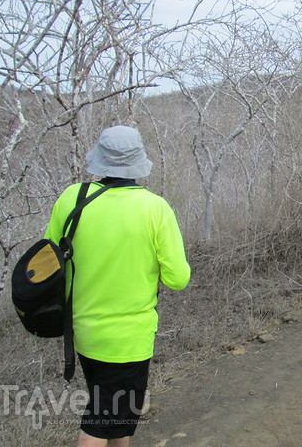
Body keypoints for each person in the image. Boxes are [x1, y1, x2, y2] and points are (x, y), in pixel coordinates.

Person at [43, 126, 191, 447]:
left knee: (115, 419)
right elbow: (178, 279)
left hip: (84, 335)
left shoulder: (72, 198)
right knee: (100, 424)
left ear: (100, 160)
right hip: (127, 342)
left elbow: (46, 261)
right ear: (137, 163)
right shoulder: (155, 208)